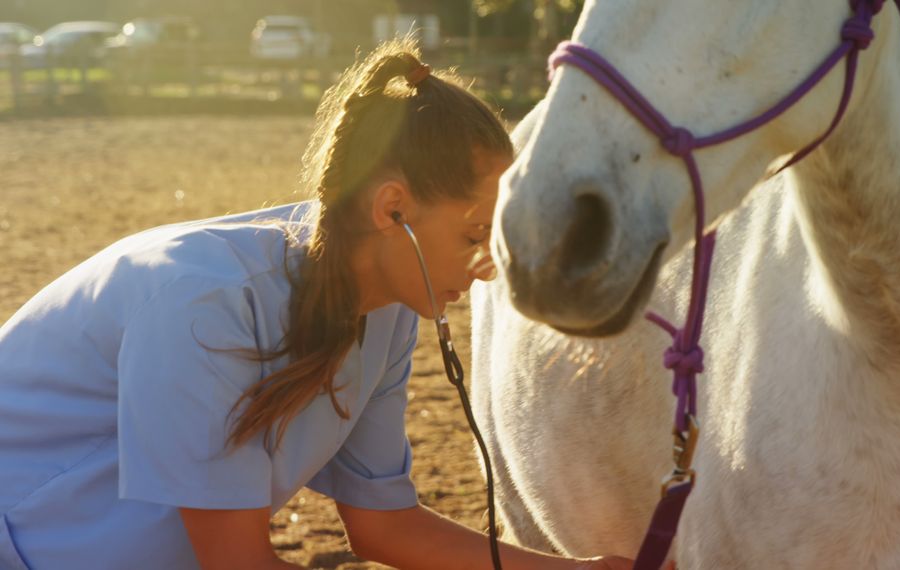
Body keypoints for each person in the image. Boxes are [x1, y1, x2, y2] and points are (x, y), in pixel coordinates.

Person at [0, 39, 632, 570]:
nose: (489, 267)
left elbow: (386, 525)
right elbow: (237, 564)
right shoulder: (203, 303)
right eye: (474, 236)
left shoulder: (387, 314)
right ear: (393, 209)